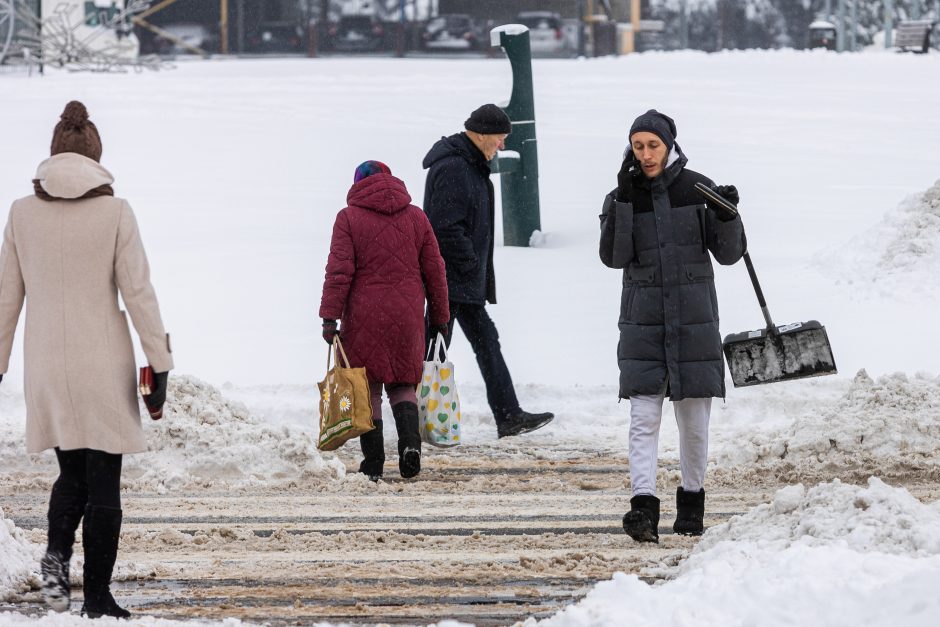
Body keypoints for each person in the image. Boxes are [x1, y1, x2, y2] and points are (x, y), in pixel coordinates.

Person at [0, 101, 174, 617]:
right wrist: (159, 362)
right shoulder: (116, 212)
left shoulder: (21, 213)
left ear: (53, 156)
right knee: (104, 478)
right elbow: (138, 293)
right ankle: (97, 596)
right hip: (103, 362)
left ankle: (56, 562)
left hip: (47, 364)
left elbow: (7, 297)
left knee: (70, 471)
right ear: (97, 158)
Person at [598, 109, 746, 543]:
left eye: (653, 146)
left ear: (669, 145)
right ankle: (642, 508)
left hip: (694, 325)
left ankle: (692, 505)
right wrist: (624, 204)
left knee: (694, 423)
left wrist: (727, 215)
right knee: (643, 419)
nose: (645, 155)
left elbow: (730, 253)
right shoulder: (621, 195)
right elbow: (613, 257)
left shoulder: (697, 189)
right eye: (638, 146)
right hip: (643, 324)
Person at [422, 104, 553, 439]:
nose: (502, 145)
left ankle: (509, 416)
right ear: (480, 133)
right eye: (499, 138)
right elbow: (445, 228)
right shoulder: (454, 168)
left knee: (480, 344)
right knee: (431, 350)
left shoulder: (470, 165)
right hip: (449, 281)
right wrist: (470, 263)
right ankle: (407, 416)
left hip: (462, 281)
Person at [320, 160, 450, 481]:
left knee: (368, 389)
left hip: (363, 314)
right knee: (403, 384)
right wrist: (440, 317)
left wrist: (329, 317)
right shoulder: (416, 217)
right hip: (407, 315)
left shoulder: (348, 218)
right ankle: (410, 446)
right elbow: (436, 272)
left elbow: (339, 272)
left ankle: (374, 462)